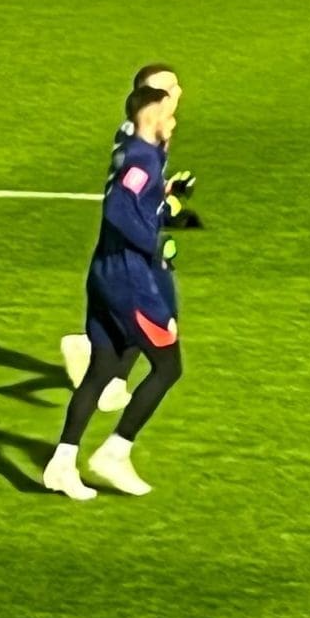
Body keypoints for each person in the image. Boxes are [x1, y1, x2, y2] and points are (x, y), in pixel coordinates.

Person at [43, 86, 184, 500]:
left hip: (106, 274)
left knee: (102, 368)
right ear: (151, 116)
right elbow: (119, 210)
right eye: (168, 114)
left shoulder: (135, 149)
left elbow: (135, 198)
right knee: (167, 367)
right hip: (129, 281)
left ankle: (61, 464)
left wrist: (164, 200)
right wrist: (152, 244)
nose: (174, 121)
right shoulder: (142, 160)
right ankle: (115, 452)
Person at [60, 63, 193, 411]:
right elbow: (125, 197)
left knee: (157, 311)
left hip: (134, 240)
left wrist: (165, 190)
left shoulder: (150, 131)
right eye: (167, 89)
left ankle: (109, 374)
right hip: (130, 248)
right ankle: (105, 372)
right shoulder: (140, 138)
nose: (176, 93)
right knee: (155, 313)